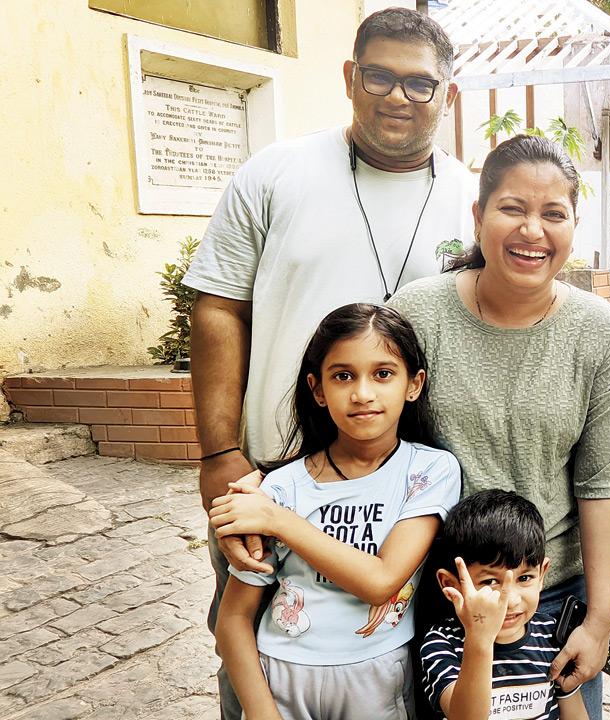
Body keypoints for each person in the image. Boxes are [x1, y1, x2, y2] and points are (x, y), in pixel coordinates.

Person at [182, 9, 474, 716]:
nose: (398, 96)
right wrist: (220, 452)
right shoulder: (276, 172)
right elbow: (217, 307)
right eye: (379, 76)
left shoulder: (475, 201)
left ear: (449, 96)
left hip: (408, 492)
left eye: (419, 83)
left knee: (398, 673)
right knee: (258, 655)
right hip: (272, 476)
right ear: (350, 77)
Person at [388, 134, 610, 720]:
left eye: (554, 214)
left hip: (548, 598)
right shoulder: (417, 314)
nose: (533, 230)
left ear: (574, 226)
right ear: (478, 218)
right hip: (444, 596)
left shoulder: (601, 336)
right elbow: (371, 432)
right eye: (513, 209)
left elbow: (603, 487)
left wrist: (599, 621)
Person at [209, 303, 461, 720]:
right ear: (318, 389)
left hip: (377, 677)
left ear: (413, 384)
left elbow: (381, 582)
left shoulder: (428, 470)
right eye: (343, 376)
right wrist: (261, 713)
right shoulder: (281, 487)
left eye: (383, 374)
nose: (362, 393)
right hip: (282, 675)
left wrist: (278, 521)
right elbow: (234, 618)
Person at [417, 490, 589, 720]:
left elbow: (575, 714)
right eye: (490, 581)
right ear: (451, 584)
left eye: (524, 578)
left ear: (542, 575)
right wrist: (480, 639)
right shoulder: (441, 643)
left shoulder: (554, 636)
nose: (512, 599)